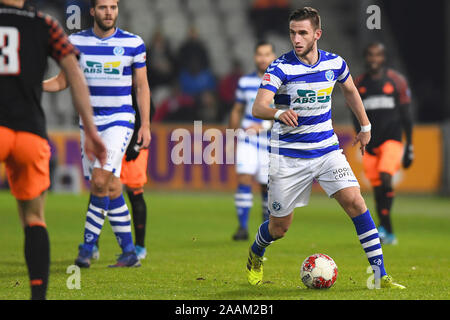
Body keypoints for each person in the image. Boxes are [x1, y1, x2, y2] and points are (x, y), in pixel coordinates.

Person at [246, 7, 405, 289]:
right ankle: (256, 252)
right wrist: (278, 112)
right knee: (279, 228)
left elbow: (351, 90)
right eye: (293, 33)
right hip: (288, 158)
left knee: (356, 202)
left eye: (303, 33)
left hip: (326, 152)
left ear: (317, 34)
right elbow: (259, 106)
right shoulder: (280, 67)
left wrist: (365, 127)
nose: (296, 38)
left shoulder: (334, 64)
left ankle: (380, 275)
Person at [0, 0, 106, 299]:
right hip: (31, 135)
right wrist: (91, 129)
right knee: (34, 218)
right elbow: (74, 72)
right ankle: (38, 295)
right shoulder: (46, 24)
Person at [43, 0, 151, 268]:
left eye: (113, 7)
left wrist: (145, 124)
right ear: (92, 11)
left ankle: (86, 248)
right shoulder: (75, 42)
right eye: (103, 7)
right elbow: (62, 81)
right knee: (112, 187)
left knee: (100, 181)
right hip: (89, 124)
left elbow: (142, 87)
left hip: (120, 121)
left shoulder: (133, 43)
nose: (109, 12)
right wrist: (33, 84)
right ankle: (128, 252)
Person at [353, 42, 414, 245]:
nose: (374, 59)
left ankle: (388, 230)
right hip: (371, 143)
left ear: (383, 58)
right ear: (366, 58)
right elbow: (356, 115)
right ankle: (386, 229)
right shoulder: (360, 83)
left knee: (386, 177)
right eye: (370, 55)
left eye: (377, 55)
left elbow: (406, 115)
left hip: (392, 139)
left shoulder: (396, 81)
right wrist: (361, 134)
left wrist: (410, 146)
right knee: (379, 189)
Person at [229, 41, 276, 241]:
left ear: (273, 57)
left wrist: (264, 127)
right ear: (255, 57)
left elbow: (286, 113)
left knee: (267, 186)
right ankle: (242, 228)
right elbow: (237, 109)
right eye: (259, 54)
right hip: (247, 139)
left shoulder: (281, 83)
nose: (263, 58)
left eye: (267, 54)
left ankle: (266, 228)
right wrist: (232, 135)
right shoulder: (245, 82)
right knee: (244, 178)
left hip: (271, 140)